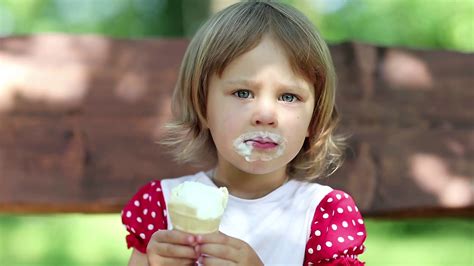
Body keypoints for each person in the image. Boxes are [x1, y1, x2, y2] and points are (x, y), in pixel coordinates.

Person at [122, 1, 367, 265]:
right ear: (202, 107)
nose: (265, 114)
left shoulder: (322, 214)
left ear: (313, 119)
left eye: (288, 96)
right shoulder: (163, 206)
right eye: (243, 93)